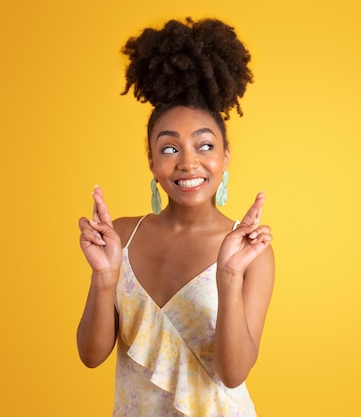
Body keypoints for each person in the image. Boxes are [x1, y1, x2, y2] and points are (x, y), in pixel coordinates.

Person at [76, 17, 274, 417]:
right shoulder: (121, 237)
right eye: (169, 149)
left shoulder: (249, 252)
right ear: (151, 160)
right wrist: (104, 278)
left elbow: (233, 374)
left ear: (225, 156)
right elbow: (92, 356)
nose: (188, 163)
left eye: (204, 145)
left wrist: (229, 276)